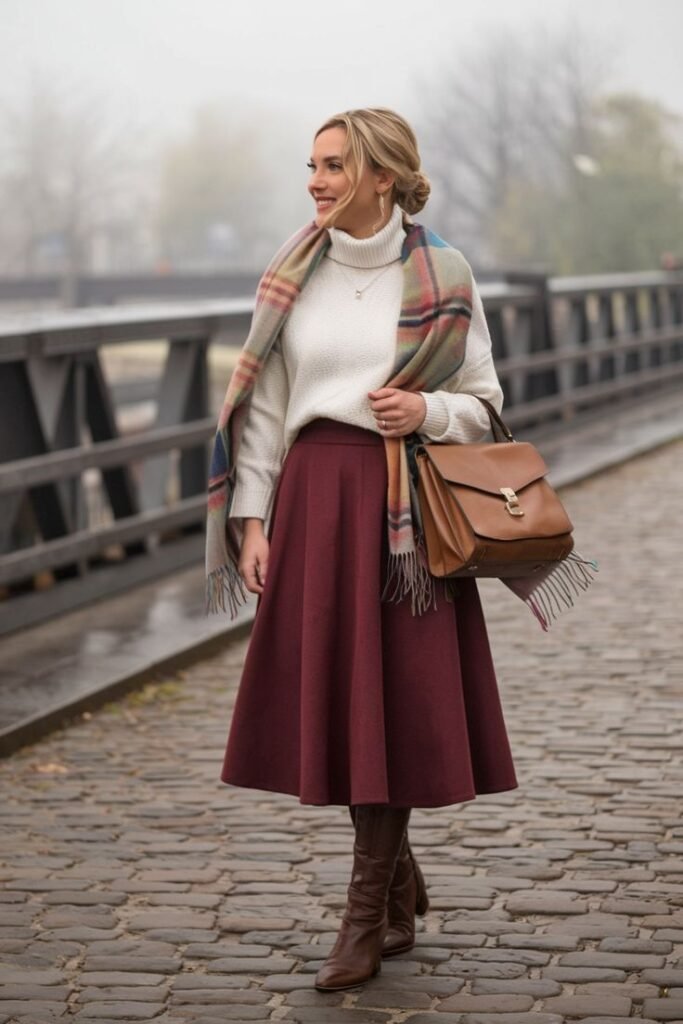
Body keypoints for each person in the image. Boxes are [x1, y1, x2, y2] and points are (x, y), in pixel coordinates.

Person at [205, 107, 518, 992]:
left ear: (383, 175)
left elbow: (487, 404)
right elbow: (264, 407)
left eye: (334, 165)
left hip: (405, 508)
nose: (315, 180)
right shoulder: (290, 272)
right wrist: (252, 520)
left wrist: (428, 411)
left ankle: (363, 913)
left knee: (395, 698)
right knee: (346, 699)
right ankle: (396, 878)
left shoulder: (444, 273)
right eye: (310, 164)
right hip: (313, 498)